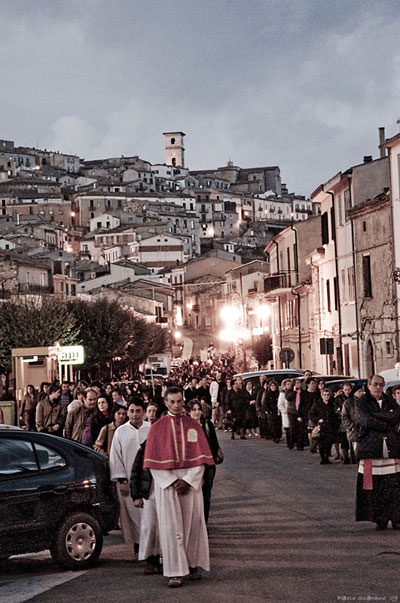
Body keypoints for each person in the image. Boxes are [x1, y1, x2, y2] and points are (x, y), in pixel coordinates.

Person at [143, 387, 214, 588]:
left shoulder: (193, 426)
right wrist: (172, 481)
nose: (176, 405)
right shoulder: (157, 427)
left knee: (193, 525)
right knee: (171, 528)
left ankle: (193, 565)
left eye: (179, 401)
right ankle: (175, 571)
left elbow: (201, 460)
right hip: (167, 483)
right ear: (165, 403)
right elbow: (152, 464)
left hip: (190, 482)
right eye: (172, 402)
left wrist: (189, 480)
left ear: (183, 402)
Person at [355, 375, 400, 530]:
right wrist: (386, 421)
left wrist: (378, 417)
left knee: (394, 487)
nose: (378, 388)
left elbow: (397, 416)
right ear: (368, 385)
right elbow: (366, 421)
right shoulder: (362, 401)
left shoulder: (389, 400)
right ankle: (379, 518)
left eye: (381, 385)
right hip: (371, 448)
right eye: (375, 384)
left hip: (391, 449)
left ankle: (396, 518)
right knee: (376, 488)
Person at [110, 399, 151, 559]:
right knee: (133, 517)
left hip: (148, 480)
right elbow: (115, 457)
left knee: (149, 516)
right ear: (127, 412)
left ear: (144, 412)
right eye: (132, 411)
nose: (135, 414)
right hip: (127, 480)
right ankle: (138, 548)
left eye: (138, 411)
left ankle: (151, 551)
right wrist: (122, 480)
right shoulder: (121, 432)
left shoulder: (151, 429)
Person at [188, 398, 221, 523]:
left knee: (206, 497)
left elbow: (214, 442)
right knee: (195, 497)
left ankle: (204, 524)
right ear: (189, 412)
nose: (197, 412)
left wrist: (213, 457)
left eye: (198, 410)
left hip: (208, 466)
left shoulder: (207, 424)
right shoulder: (188, 427)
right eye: (194, 410)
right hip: (193, 466)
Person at [309, 388, 341, 465]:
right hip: (321, 427)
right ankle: (323, 457)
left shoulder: (332, 404)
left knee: (329, 443)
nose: (326, 396)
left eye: (328, 395)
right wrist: (317, 420)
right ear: (322, 396)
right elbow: (311, 415)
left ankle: (327, 457)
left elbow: (336, 414)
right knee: (321, 443)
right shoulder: (317, 404)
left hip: (330, 426)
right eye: (325, 395)